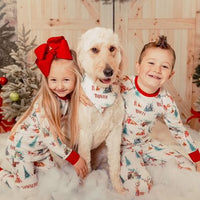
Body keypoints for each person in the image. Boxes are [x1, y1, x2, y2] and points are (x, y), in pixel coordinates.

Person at [0, 36, 88, 193]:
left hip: (41, 152)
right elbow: (50, 139)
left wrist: (82, 90)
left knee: (55, 182)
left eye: (66, 80)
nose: (59, 86)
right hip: (23, 151)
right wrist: (74, 158)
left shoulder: (68, 97)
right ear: (46, 79)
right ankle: (3, 174)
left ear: (76, 79)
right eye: (53, 80)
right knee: (30, 191)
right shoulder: (45, 104)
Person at [119, 35, 200, 196]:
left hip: (146, 143)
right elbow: (99, 90)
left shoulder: (165, 100)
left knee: (187, 167)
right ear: (138, 66)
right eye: (151, 63)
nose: (157, 70)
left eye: (164, 66)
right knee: (138, 186)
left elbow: (178, 130)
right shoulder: (124, 83)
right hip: (123, 147)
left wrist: (197, 158)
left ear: (170, 74)